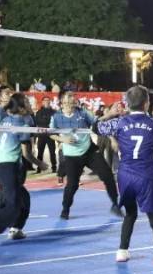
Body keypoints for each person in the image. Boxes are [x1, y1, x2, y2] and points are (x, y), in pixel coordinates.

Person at [94, 87, 153, 268]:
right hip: (146, 175)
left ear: (127, 103)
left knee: (130, 213)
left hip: (125, 175)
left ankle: (122, 250)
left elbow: (95, 127)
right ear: (146, 104)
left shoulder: (119, 122)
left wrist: (109, 114)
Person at [0, 93, 47, 244]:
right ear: (20, 107)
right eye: (27, 102)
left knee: (24, 198)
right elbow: (26, 154)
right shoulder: (23, 125)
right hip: (8, 167)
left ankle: (16, 229)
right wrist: (40, 164)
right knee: (13, 204)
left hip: (0, 165)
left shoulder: (6, 120)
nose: (30, 104)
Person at [50, 90, 121, 219]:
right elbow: (50, 133)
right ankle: (65, 209)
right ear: (62, 100)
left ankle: (115, 205)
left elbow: (97, 122)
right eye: (70, 96)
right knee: (72, 185)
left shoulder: (82, 113)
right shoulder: (56, 117)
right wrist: (62, 139)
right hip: (71, 156)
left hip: (89, 151)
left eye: (74, 96)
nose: (73, 98)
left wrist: (110, 114)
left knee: (107, 175)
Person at [34, 97, 58, 173]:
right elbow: (38, 122)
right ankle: (39, 167)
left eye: (48, 100)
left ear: (50, 102)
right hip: (41, 135)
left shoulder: (54, 112)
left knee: (52, 152)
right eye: (45, 100)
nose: (47, 102)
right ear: (42, 102)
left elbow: (55, 122)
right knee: (40, 152)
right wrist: (47, 122)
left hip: (51, 135)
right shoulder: (39, 112)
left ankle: (54, 167)